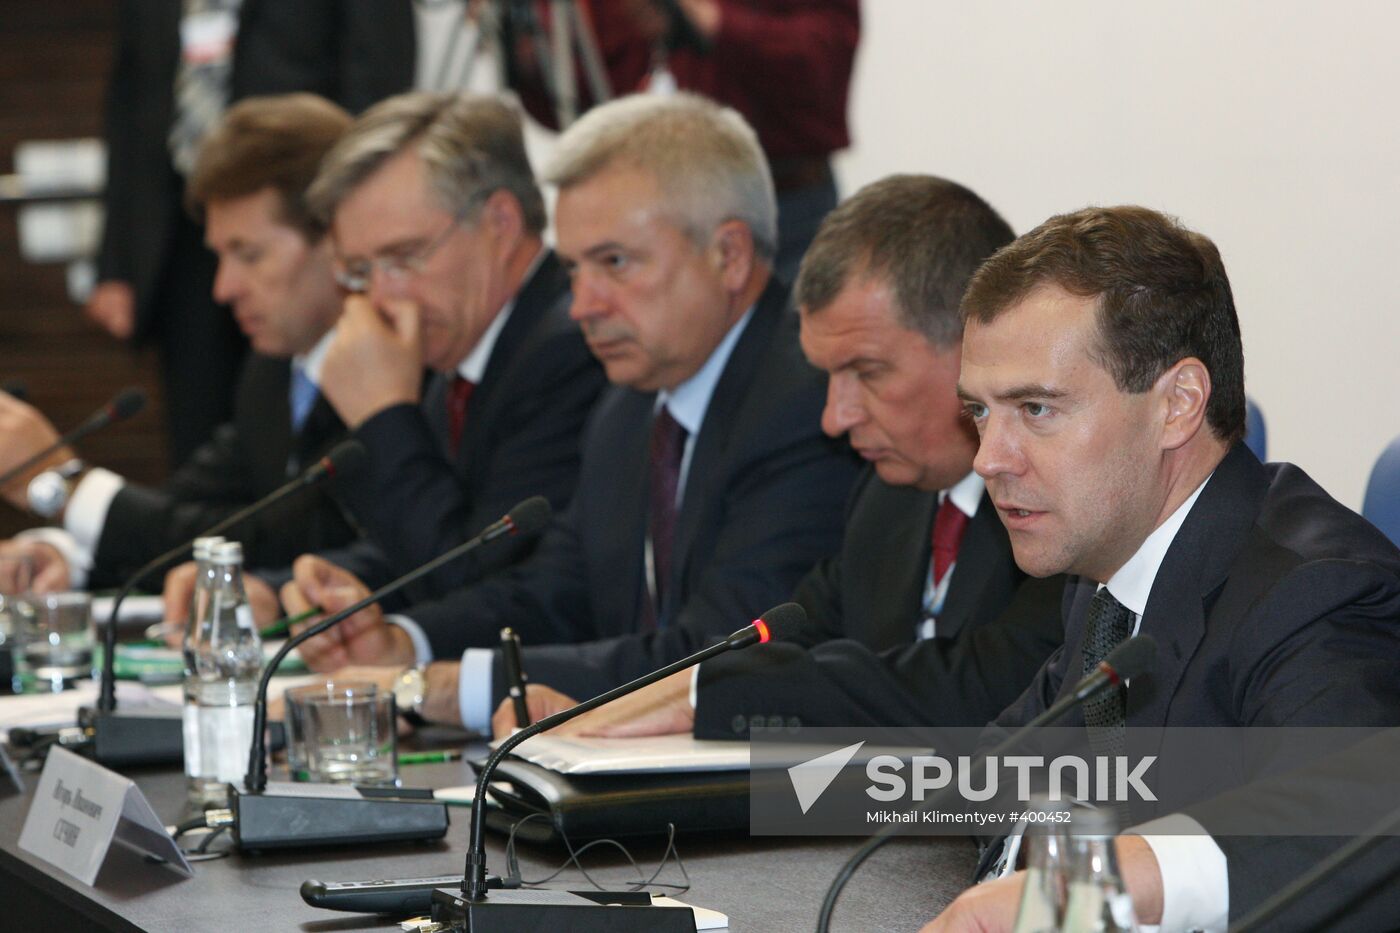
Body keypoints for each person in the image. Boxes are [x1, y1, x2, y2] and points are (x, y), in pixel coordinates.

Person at [280, 93, 859, 735]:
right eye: (573, 269)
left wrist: (441, 687)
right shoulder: (626, 409)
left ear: (728, 255)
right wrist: (403, 643)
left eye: (614, 263)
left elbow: (720, 653)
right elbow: (555, 596)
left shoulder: (807, 401)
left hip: (808, 803)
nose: (582, 305)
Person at [922, 205, 1400, 932]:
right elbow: (1006, 764)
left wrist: (1080, 887)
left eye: (1036, 408)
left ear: (1177, 405)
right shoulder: (1106, 579)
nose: (988, 458)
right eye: (981, 412)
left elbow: (1355, 818)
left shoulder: (1317, 594)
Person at [489, 174, 1065, 741]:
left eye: (866, 373)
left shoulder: (1053, 494)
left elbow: (985, 685)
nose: (834, 419)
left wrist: (697, 699)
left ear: (974, 348)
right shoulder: (886, 498)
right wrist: (611, 707)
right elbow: (781, 636)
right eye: (828, 378)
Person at [160, 91, 609, 620]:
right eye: (361, 270)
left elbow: (483, 579)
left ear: (501, 224)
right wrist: (280, 592)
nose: (381, 298)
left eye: (402, 257)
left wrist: (382, 416)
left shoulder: (570, 350)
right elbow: (416, 553)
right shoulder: (464, 347)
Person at [0, 93, 357, 592]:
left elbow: (293, 540)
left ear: (340, 239)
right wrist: (59, 556)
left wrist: (60, 483)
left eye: (249, 254)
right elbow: (188, 519)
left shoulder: (400, 374)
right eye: (220, 256)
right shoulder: (272, 373)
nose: (223, 288)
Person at [89, 0, 415, 464]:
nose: (228, 287)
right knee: (204, 426)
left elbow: (378, 66)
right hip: (178, 221)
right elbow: (129, 95)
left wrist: (355, 202)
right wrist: (115, 262)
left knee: (303, 398)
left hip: (297, 193)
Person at [503, 0, 859, 283]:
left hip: (784, 205)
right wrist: (528, 49)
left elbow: (822, 63)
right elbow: (589, 104)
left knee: (793, 363)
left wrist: (709, 20)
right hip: (655, 214)